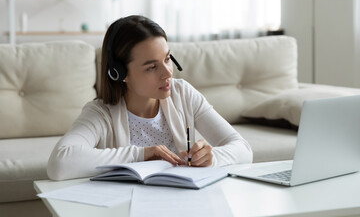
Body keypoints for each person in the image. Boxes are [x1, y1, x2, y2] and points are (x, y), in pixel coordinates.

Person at [47, 15, 253, 180]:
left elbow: (243, 149)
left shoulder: (183, 94)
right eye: (152, 67)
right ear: (120, 73)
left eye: (167, 59)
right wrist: (140, 154)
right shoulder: (101, 112)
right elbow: (60, 164)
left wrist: (212, 158)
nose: (168, 73)